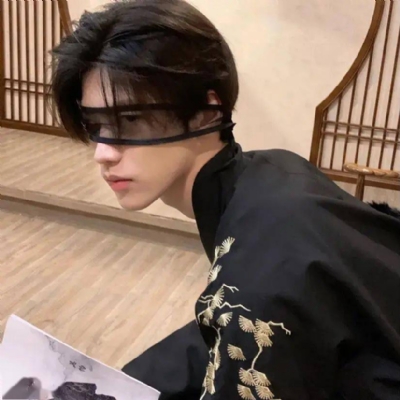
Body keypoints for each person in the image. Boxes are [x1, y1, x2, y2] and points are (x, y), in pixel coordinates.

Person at [50, 1, 400, 399]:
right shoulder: (275, 170)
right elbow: (219, 330)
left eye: (130, 120)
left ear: (207, 112)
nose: (103, 152)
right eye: (96, 125)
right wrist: (119, 385)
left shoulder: (257, 282)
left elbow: (250, 319)